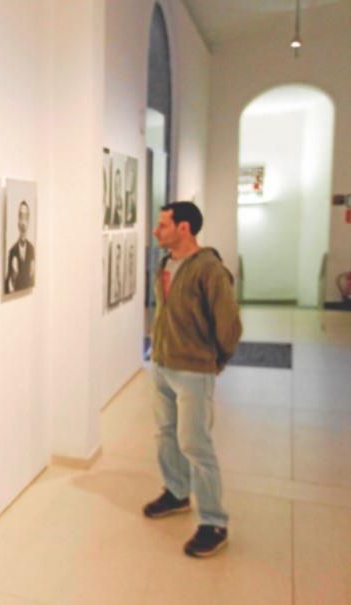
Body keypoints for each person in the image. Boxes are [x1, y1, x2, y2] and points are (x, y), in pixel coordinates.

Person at [143, 201, 241, 558]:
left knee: (195, 444)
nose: (156, 231)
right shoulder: (166, 264)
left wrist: (215, 360)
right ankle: (176, 491)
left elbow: (229, 325)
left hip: (194, 370)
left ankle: (214, 521)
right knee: (165, 433)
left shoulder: (210, 270)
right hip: (163, 364)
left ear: (184, 228)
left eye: (163, 225)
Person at [5, 201, 36, 293]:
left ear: (29, 221)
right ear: (18, 221)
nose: (23, 223)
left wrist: (33, 275)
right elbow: (7, 288)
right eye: (21, 217)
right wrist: (13, 277)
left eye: (26, 217)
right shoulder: (12, 251)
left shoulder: (32, 250)